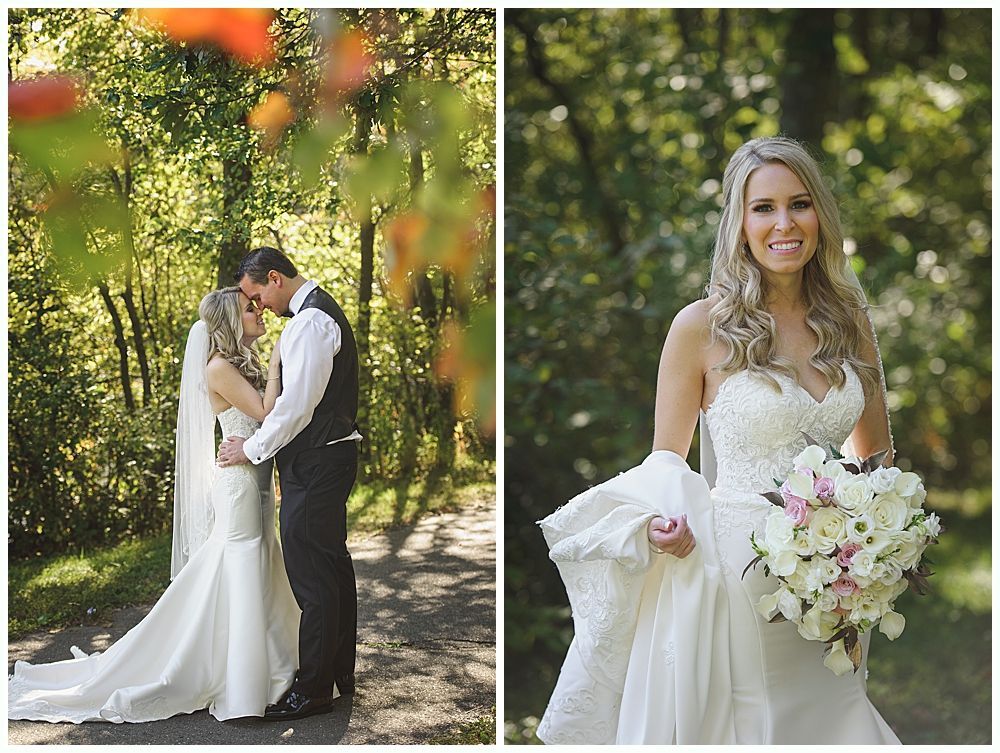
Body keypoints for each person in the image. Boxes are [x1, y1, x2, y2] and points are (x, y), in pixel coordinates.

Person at [537, 136, 901, 744]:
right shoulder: (701, 327)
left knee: (837, 714)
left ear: (820, 215)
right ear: (739, 223)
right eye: (764, 208)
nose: (784, 224)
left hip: (839, 583)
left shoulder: (850, 320)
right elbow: (665, 461)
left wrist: (877, 546)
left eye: (800, 204)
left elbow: (878, 459)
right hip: (739, 576)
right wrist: (660, 524)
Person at [8, 287, 299, 723]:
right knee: (240, 565)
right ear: (228, 323)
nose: (258, 311)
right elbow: (263, 411)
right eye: (248, 308)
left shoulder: (241, 363)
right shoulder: (218, 367)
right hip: (238, 485)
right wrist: (278, 361)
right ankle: (242, 684)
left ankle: (275, 669)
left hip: (256, 480)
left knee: (259, 564)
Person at [217, 247, 361, 722]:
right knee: (331, 564)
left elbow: (297, 407)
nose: (259, 306)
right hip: (326, 458)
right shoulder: (315, 315)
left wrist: (252, 449)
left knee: (313, 574)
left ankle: (314, 689)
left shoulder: (310, 322)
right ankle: (338, 672)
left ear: (275, 278)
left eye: (257, 295)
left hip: (318, 462)